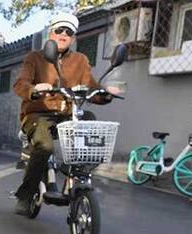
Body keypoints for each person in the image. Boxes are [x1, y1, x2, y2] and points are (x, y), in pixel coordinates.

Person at [13, 12, 121, 215]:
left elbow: (91, 87)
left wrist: (106, 93)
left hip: (68, 114)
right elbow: (21, 84)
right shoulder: (34, 58)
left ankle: (77, 173)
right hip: (38, 114)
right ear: (50, 34)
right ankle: (25, 195)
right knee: (44, 147)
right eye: (59, 30)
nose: (63, 34)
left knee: (90, 122)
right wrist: (34, 89)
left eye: (68, 31)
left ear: (73, 37)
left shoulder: (80, 60)